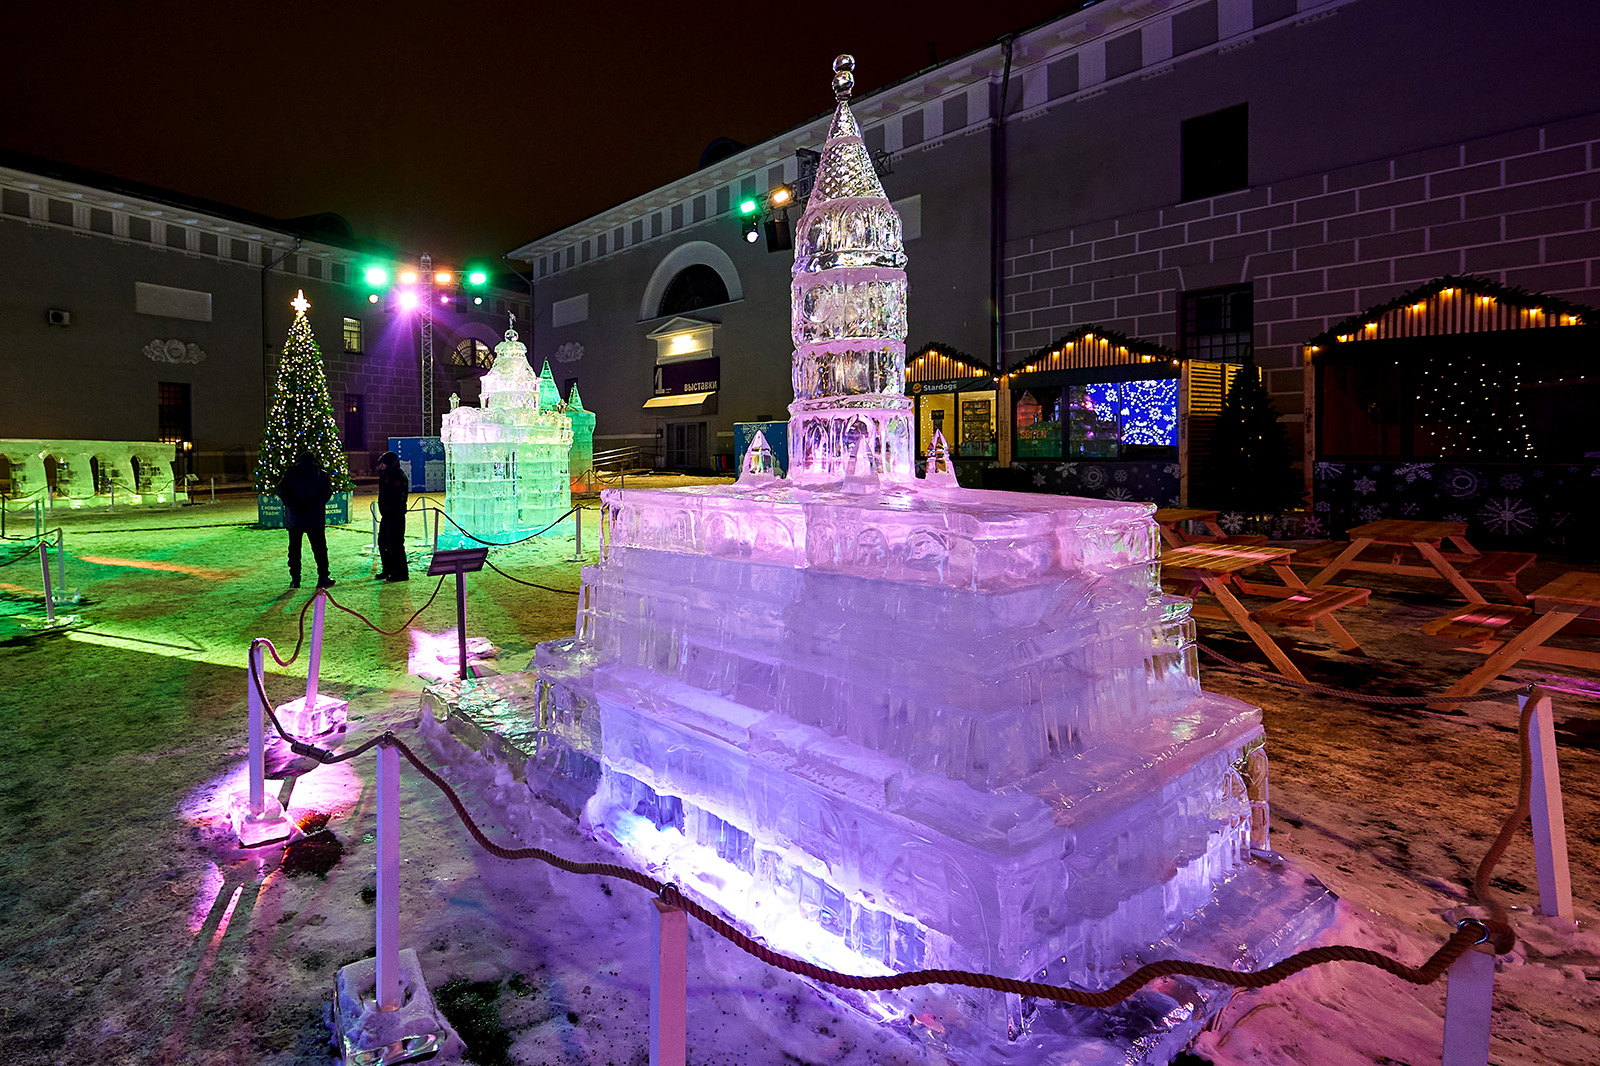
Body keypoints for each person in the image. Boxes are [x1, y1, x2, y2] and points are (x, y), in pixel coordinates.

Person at [276, 450, 334, 588]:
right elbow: (326, 492)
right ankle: (323, 576)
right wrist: (312, 505)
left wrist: (295, 505)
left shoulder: (290, 473)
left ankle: (295, 578)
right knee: (319, 548)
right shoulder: (321, 474)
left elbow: (282, 491)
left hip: (295, 517)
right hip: (314, 517)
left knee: (294, 549)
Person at [374, 450, 409, 582]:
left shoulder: (398, 477)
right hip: (387, 516)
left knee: (396, 544)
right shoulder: (385, 476)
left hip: (396, 516)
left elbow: (399, 498)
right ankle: (388, 569)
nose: (381, 466)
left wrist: (390, 509)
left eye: (383, 463)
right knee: (383, 542)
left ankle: (400, 573)